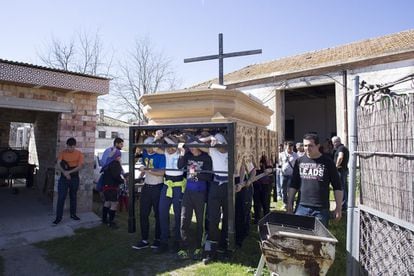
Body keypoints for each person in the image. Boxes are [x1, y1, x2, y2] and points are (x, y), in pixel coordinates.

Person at [287, 133, 343, 227]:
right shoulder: (299, 161)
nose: (307, 148)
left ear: (318, 146)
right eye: (305, 145)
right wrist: (289, 203)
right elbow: (294, 184)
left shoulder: (328, 162)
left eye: (310, 146)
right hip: (302, 207)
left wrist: (338, 208)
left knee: (318, 240)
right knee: (300, 237)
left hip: (321, 209)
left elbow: (337, 186)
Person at [176, 139, 212, 260]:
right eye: (189, 146)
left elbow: (208, 176)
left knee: (200, 221)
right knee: (184, 219)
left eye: (193, 146)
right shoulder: (187, 155)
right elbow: (179, 166)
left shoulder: (206, 157)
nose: (191, 148)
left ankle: (198, 247)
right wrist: (181, 152)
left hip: (200, 193)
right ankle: (183, 248)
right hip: (188, 192)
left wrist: (195, 173)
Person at [199, 133, 229, 264]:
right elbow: (198, 144)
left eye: (220, 144)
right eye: (217, 144)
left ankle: (225, 246)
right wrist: (209, 138)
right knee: (213, 218)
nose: (218, 147)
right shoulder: (212, 150)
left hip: (228, 185)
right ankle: (212, 249)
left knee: (228, 218)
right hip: (216, 184)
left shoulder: (231, 150)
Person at [132, 136, 166, 250]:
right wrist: (142, 169)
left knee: (158, 214)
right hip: (146, 186)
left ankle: (157, 239)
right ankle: (144, 239)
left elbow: (161, 173)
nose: (148, 149)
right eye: (146, 147)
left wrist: (146, 170)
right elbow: (142, 164)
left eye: (150, 147)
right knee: (143, 214)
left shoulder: (161, 155)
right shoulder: (145, 153)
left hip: (158, 187)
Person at [156, 133, 186, 253]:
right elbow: (154, 148)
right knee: (162, 211)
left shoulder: (180, 152)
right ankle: (164, 241)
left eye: (171, 145)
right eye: (166, 145)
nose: (168, 148)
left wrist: (175, 142)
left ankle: (177, 241)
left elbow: (180, 144)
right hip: (167, 184)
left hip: (178, 186)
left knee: (179, 214)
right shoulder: (165, 153)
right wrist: (157, 137)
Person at [53, 137, 84, 225]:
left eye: (72, 147)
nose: (70, 149)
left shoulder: (79, 154)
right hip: (64, 178)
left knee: (73, 196)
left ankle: (73, 214)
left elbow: (80, 166)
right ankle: (58, 218)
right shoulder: (62, 153)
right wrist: (65, 173)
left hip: (74, 177)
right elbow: (58, 163)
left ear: (75, 146)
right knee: (61, 197)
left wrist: (69, 172)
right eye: (69, 147)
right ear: (67, 145)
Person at [100, 137, 124, 222]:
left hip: (106, 181)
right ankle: (111, 222)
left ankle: (104, 220)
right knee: (114, 204)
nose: (122, 146)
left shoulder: (108, 151)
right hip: (112, 184)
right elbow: (116, 175)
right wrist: (122, 180)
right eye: (121, 144)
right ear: (116, 144)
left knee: (107, 202)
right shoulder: (115, 161)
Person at [234, 155, 256, 247]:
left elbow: (253, 171)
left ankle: (241, 236)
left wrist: (249, 181)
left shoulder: (242, 158)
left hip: (243, 186)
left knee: (242, 212)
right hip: (232, 183)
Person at [252, 153, 273, 224]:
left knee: (265, 202)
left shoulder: (265, 158)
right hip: (256, 183)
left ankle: (266, 218)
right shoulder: (251, 158)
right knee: (256, 201)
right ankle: (257, 218)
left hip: (265, 184)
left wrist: (269, 170)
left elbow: (270, 167)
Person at [331, 136, 349, 212]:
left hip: (340, 170)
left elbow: (340, 157)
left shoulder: (341, 148)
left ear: (336, 142)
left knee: (341, 188)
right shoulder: (342, 148)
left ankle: (343, 205)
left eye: (333, 143)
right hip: (343, 170)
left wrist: (336, 166)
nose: (333, 145)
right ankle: (344, 205)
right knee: (344, 187)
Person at [279, 141, 298, 208]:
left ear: (293, 147)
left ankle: (291, 203)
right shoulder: (281, 154)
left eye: (291, 147)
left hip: (291, 175)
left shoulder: (296, 155)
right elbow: (279, 163)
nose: (289, 149)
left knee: (290, 190)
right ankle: (285, 203)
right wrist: (280, 170)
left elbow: (297, 165)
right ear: (286, 147)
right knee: (283, 190)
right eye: (288, 147)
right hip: (283, 175)